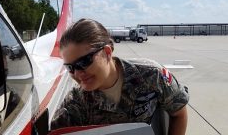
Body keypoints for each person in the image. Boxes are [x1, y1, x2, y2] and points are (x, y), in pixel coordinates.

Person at [50, 18, 189, 135]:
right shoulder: (76, 101)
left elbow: (179, 113)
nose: (78, 74)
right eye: (70, 67)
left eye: (84, 62)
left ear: (107, 52)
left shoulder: (151, 75)